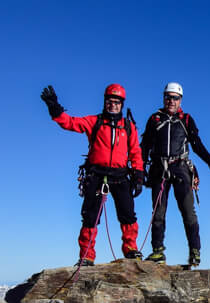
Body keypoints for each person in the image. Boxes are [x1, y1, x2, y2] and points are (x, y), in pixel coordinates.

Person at [40, 84, 144, 265]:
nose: (113, 105)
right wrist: (54, 108)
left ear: (122, 104)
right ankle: (87, 255)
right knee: (90, 216)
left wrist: (139, 175)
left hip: (120, 175)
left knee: (128, 214)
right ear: (105, 102)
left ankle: (130, 249)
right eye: (110, 102)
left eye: (116, 102)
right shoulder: (94, 122)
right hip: (97, 174)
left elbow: (135, 151)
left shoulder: (128, 127)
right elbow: (70, 123)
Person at [140, 82, 210, 267]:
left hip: (181, 168)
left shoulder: (186, 120)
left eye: (175, 98)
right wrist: (140, 170)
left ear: (180, 100)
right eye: (168, 97)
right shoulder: (155, 119)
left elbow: (196, 143)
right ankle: (158, 251)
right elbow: (145, 146)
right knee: (158, 212)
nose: (171, 101)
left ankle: (195, 251)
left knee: (188, 211)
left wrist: (209, 160)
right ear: (164, 98)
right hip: (159, 169)